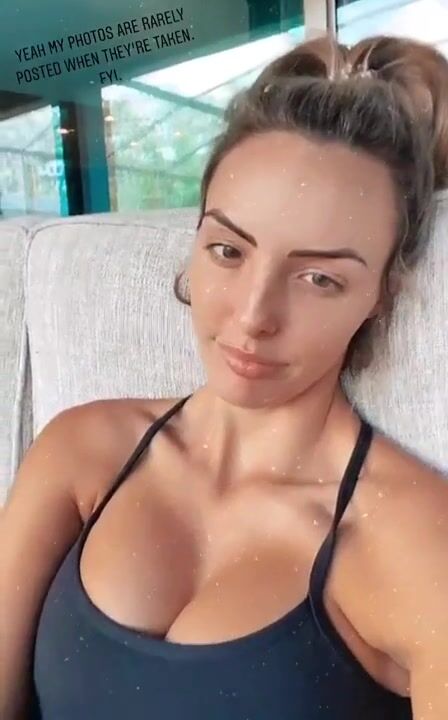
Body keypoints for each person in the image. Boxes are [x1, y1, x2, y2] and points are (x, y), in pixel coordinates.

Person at [1, 32, 448, 720]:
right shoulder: (82, 449)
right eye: (228, 250)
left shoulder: (411, 537)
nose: (253, 315)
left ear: (382, 294)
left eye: (319, 277)